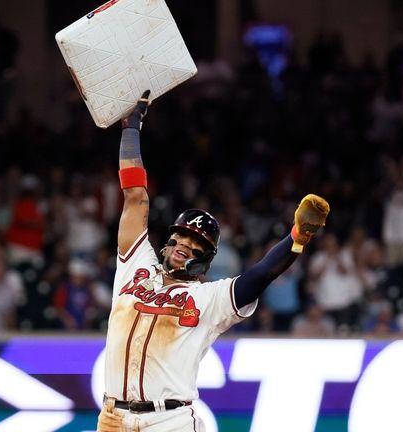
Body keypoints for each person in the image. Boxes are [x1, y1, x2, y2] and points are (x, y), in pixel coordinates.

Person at [97, 91, 331, 432]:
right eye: (181, 237)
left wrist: (297, 237)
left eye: (195, 245)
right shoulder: (137, 266)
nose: (184, 245)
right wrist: (131, 129)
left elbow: (260, 274)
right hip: (113, 417)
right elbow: (135, 197)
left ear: (204, 260)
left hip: (170, 420)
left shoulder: (209, 299)